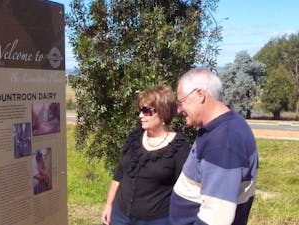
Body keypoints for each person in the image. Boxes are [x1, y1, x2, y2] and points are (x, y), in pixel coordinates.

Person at [169, 68, 258, 225]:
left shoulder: (224, 142)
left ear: (200, 95)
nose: (178, 109)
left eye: (181, 102)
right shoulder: (220, 127)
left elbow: (216, 217)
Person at [101, 85, 191, 225]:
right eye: (140, 110)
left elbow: (185, 190)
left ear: (162, 113)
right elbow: (119, 174)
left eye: (146, 111)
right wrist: (109, 205)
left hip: (156, 220)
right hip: (120, 215)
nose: (140, 115)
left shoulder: (179, 147)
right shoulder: (134, 138)